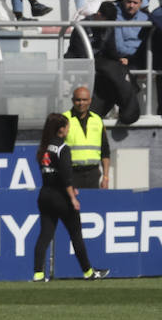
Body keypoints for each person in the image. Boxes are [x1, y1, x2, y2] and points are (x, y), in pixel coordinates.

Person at [32, 112, 109, 282]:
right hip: (61, 197)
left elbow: (53, 174)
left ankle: (38, 274)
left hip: (45, 194)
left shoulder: (44, 147)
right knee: (76, 234)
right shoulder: (63, 148)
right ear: (61, 129)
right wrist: (72, 197)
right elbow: (66, 176)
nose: (68, 129)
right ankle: (88, 272)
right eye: (67, 126)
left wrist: (70, 188)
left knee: (45, 235)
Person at [63, 86, 109, 190]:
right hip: (72, 173)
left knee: (93, 205)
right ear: (72, 100)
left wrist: (105, 177)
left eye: (84, 100)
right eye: (78, 100)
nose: (81, 103)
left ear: (90, 101)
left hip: (93, 174)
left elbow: (105, 150)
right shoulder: (64, 119)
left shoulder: (97, 120)